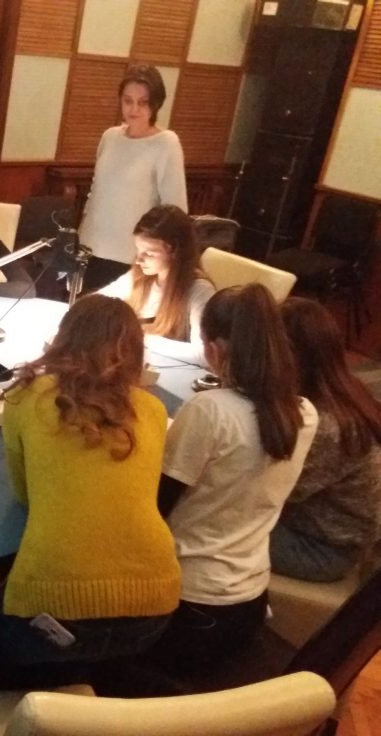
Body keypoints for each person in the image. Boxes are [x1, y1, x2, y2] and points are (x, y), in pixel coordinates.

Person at [0, 294, 180, 677]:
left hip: (55, 607)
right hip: (155, 606)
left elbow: (24, 496)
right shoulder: (154, 409)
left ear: (65, 337)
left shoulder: (26, 395)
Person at [154, 284, 318, 672]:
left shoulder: (210, 410)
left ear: (215, 349)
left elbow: (155, 508)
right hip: (248, 601)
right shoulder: (304, 413)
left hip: (187, 604)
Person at [271, 298, 381, 582]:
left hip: (321, 548)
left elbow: (273, 491)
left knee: (198, 524)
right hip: (312, 527)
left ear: (291, 357)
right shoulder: (341, 388)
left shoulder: (328, 425)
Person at [78, 64, 188, 292]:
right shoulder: (110, 137)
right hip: (90, 248)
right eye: (127, 101)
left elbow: (175, 210)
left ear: (155, 104)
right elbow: (96, 192)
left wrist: (161, 258)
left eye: (143, 102)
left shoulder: (166, 143)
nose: (134, 109)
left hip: (133, 256)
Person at [99, 205, 213, 365]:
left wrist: (141, 338)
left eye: (149, 253)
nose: (139, 260)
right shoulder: (141, 276)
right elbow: (101, 300)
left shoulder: (199, 290)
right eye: (138, 250)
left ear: (174, 250)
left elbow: (205, 355)